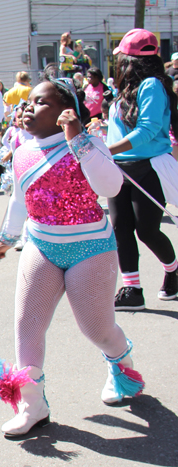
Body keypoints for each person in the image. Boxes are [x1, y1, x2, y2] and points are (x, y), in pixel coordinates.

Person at [0, 76, 144, 438]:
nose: (27, 108)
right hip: (41, 244)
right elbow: (20, 200)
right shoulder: (23, 152)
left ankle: (121, 365)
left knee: (96, 329)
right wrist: (7, 238)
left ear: (63, 111)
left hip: (91, 247)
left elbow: (110, 187)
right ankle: (31, 403)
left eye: (40, 102)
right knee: (27, 325)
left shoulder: (88, 143)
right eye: (27, 102)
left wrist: (78, 139)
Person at [105, 29, 178, 309]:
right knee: (120, 228)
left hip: (147, 168)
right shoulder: (126, 90)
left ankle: (173, 270)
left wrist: (108, 149)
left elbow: (148, 131)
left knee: (147, 230)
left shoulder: (152, 86)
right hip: (117, 168)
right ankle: (132, 290)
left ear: (128, 59)